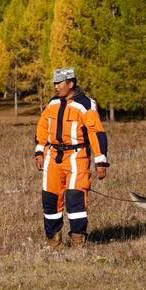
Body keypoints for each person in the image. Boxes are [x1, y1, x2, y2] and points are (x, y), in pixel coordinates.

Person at [34, 68, 110, 248]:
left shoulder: (86, 104)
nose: (56, 87)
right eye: (54, 83)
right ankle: (54, 241)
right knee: (50, 199)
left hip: (77, 157)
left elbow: (96, 133)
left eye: (59, 83)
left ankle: (78, 240)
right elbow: (42, 127)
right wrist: (39, 151)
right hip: (53, 157)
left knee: (75, 197)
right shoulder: (53, 103)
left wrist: (100, 161)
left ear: (71, 83)